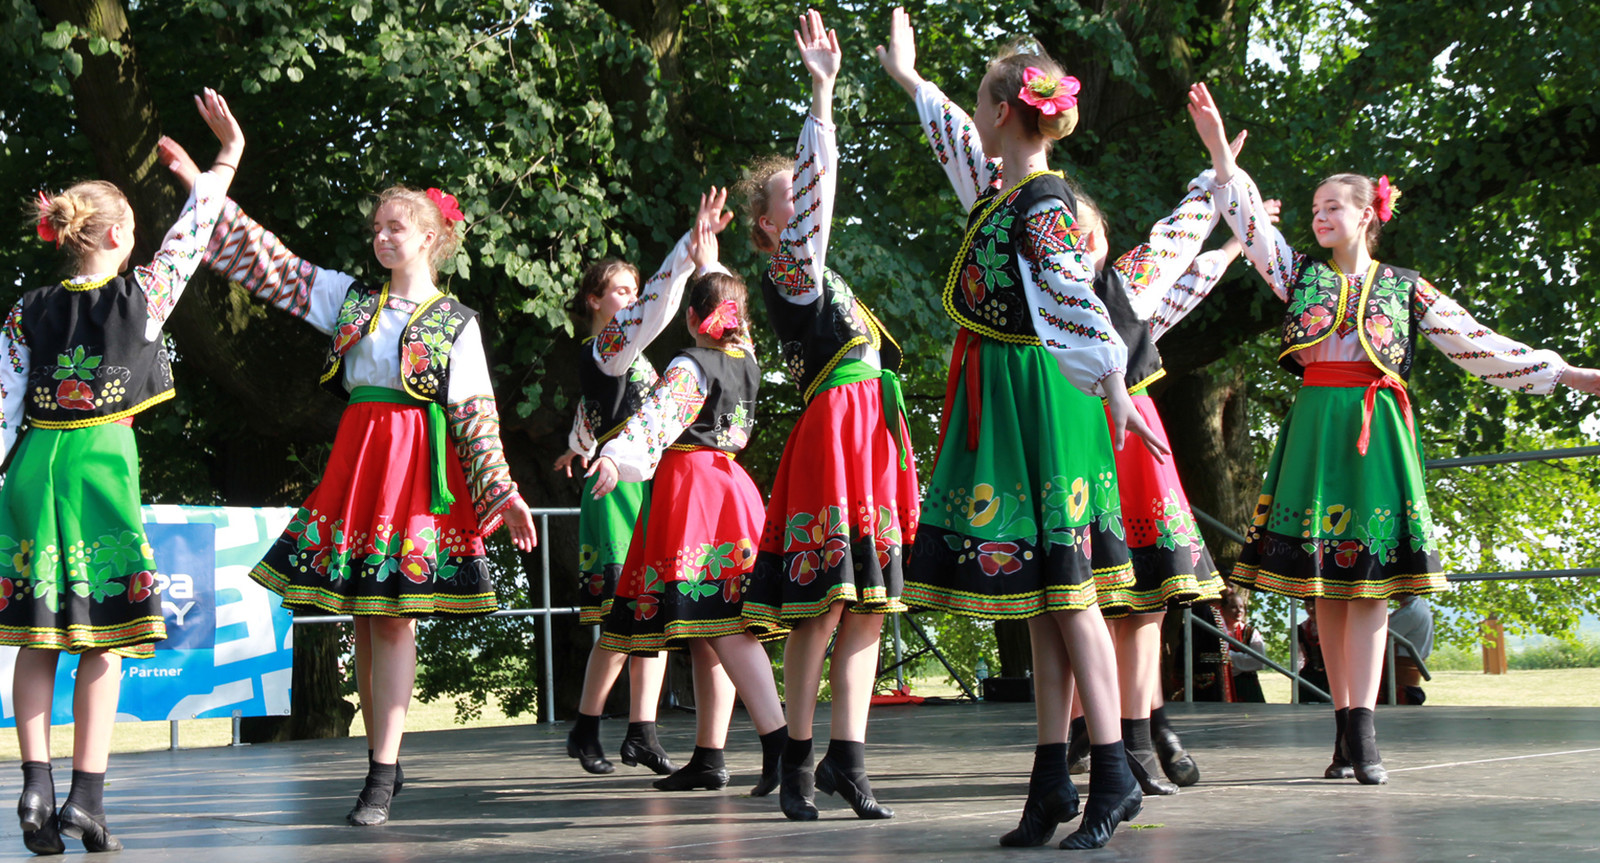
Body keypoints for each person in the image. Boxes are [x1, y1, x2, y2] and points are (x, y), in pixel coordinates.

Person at [1194, 81, 1600, 784]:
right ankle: (1345, 727)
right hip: (1317, 429)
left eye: (1333, 206)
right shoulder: (1297, 276)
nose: (1320, 216)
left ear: (1367, 214)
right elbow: (1252, 225)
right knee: (1326, 585)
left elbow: (1475, 342)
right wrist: (1222, 161)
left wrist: (1564, 372)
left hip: (1375, 429)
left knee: (1372, 582)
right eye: (1314, 208)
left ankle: (1364, 730)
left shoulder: (1405, 287)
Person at [169, 143, 538, 826]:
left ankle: (380, 773)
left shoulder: (456, 323)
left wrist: (502, 491)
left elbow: (476, 415)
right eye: (377, 227)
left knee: (393, 617)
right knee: (366, 619)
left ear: (429, 237)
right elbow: (272, 264)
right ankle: (382, 760)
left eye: (396, 226)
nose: (382, 236)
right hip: (361, 461)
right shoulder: (352, 300)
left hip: (412, 471)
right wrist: (206, 189)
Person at [878, 8, 1167, 850]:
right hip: (1013, 393)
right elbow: (953, 142)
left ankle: (1112, 770)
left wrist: (1112, 382)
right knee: (1044, 597)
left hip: (1041, 396)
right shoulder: (1004, 191)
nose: (971, 115)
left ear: (1004, 111)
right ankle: (1051, 779)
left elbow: (1073, 289)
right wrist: (910, 79)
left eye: (980, 101)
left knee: (1070, 594)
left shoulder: (1041, 199)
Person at [0, 89, 241, 854]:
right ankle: (87, 799)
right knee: (103, 639)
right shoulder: (143, 295)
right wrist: (226, 156)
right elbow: (195, 232)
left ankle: (34, 787)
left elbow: (2, 408)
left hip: (34, 463)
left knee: (39, 633)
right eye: (134, 228)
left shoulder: (25, 310)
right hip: (101, 462)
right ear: (114, 235)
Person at [1053, 132, 1276, 797]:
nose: (1077, 242)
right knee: (1091, 597)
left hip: (1134, 446)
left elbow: (1178, 258)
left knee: (1150, 597)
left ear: (1102, 238)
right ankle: (1105, 731)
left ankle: (1140, 734)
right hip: (1080, 443)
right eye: (1063, 234)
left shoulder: (1125, 285)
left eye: (1086, 231)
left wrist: (1220, 193)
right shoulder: (1048, 306)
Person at [739, 9, 917, 823]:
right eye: (793, 197)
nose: (805, 202)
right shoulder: (792, 269)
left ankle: (850, 758)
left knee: (867, 600)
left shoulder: (821, 274)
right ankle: (798, 761)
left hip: (867, 430)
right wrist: (821, 96)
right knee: (822, 601)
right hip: (837, 427)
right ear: (770, 223)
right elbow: (818, 193)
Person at [586, 260, 790, 797]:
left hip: (695, 491)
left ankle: (780, 743)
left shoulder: (690, 363)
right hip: (732, 487)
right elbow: (732, 325)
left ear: (694, 319)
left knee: (722, 625)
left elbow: (657, 419)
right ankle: (709, 755)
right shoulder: (747, 361)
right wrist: (711, 262)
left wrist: (615, 456)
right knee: (710, 625)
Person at [556, 189, 734, 777]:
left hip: (648, 483)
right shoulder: (603, 348)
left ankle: (642, 732)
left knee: (649, 610)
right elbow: (656, 308)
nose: (632, 299)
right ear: (595, 300)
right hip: (615, 490)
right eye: (621, 290)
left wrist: (576, 443)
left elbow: (598, 411)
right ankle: (587, 727)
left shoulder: (631, 358)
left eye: (635, 289)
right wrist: (687, 252)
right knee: (620, 616)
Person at [1220, 586, 1266, 703]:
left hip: (1247, 686)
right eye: (1233, 607)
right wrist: (1242, 660)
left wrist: (1228, 658)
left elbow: (1259, 661)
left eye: (1241, 607)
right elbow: (1213, 658)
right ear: (1223, 609)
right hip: (1223, 684)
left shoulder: (1251, 632)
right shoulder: (1217, 632)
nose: (1239, 611)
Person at [1386, 593, 1432, 705]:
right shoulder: (1418, 606)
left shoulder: (1410, 612)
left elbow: (1379, 637)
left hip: (1402, 681)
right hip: (1405, 678)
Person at [1297, 599, 1332, 703]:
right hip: (1310, 676)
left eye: (1314, 604)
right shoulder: (1301, 628)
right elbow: (1298, 657)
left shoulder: (1335, 626)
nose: (1311, 609)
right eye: (1307, 605)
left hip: (1331, 675)